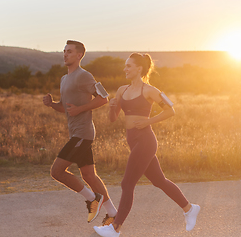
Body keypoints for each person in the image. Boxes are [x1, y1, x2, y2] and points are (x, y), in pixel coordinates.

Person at [93, 53, 200, 237]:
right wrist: (111, 107)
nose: (125, 69)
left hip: (145, 141)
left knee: (127, 184)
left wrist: (148, 122)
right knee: (159, 181)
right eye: (125, 66)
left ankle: (115, 227)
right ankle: (189, 208)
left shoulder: (150, 90)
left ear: (139, 68)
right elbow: (112, 119)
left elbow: (170, 111)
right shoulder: (122, 90)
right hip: (132, 140)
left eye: (128, 66)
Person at [43, 40, 117, 225]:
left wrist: (81, 108)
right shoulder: (64, 79)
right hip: (76, 134)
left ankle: (93, 199)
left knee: (57, 171)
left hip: (82, 133)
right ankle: (113, 214)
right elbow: (66, 108)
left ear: (79, 55)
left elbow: (104, 98)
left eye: (69, 51)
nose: (65, 54)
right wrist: (52, 104)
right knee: (89, 175)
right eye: (64, 51)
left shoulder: (84, 76)